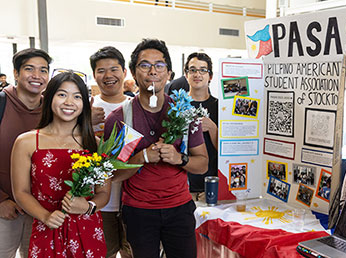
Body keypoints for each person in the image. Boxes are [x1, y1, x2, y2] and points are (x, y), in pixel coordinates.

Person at [103, 38, 208, 258]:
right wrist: (142, 157)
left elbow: (202, 165)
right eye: (144, 65)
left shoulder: (185, 113)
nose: (153, 71)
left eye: (159, 65)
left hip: (179, 207)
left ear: (168, 73)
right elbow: (114, 174)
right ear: (132, 72)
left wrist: (180, 158)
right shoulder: (122, 118)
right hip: (139, 211)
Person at [11, 72, 111, 257]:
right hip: (46, 228)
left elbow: (103, 192)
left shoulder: (94, 144)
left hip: (87, 230)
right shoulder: (27, 142)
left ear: (84, 103)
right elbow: (21, 192)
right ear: (49, 98)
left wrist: (88, 207)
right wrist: (45, 216)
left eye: (77, 96)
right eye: (62, 94)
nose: (69, 102)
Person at [0, 48, 52, 258]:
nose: (37, 76)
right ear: (15, 73)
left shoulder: (52, 110)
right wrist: (1, 200)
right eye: (29, 69)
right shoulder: (2, 103)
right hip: (5, 210)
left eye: (43, 70)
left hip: (41, 211)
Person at [89, 46, 133, 258]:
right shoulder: (85, 110)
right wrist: (85, 125)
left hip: (133, 200)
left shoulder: (137, 107)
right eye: (101, 70)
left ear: (124, 73)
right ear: (94, 75)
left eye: (114, 69)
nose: (108, 75)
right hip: (98, 203)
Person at [184, 52, 218, 201]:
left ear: (210, 76)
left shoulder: (221, 108)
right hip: (183, 187)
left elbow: (229, 153)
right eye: (192, 70)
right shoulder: (175, 106)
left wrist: (213, 129)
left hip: (212, 186)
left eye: (203, 70)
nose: (197, 74)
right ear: (186, 75)